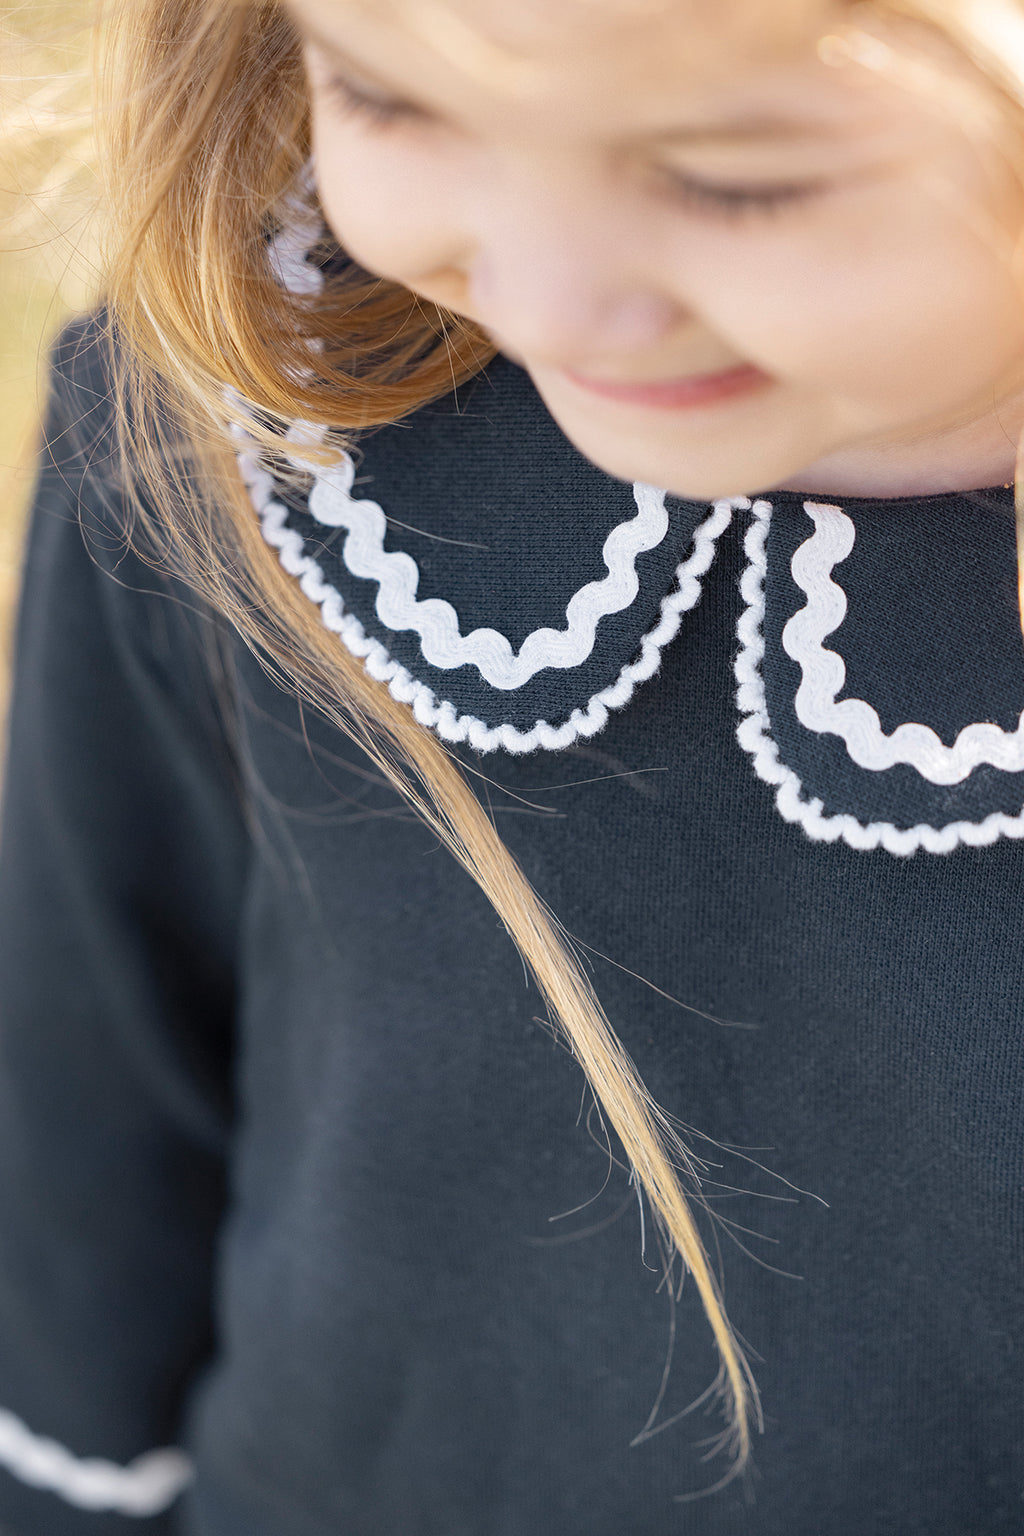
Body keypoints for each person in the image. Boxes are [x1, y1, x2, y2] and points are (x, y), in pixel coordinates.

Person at [1, 0, 1023, 1530]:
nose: (549, 302)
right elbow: (85, 1136)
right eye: (394, 102)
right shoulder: (238, 448)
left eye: (739, 180)